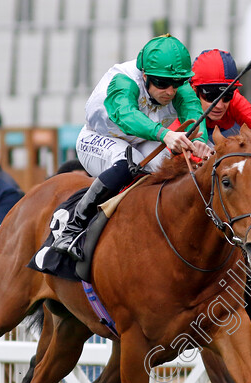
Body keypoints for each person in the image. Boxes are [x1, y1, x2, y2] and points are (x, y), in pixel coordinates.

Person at [52, 34, 211, 260]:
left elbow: (194, 113)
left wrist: (200, 140)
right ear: (145, 74)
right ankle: (73, 228)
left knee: (170, 167)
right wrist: (164, 134)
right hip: (96, 138)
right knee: (131, 163)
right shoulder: (124, 81)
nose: (170, 91)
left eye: (176, 83)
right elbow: (126, 115)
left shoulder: (177, 87)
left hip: (139, 139)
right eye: (162, 83)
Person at [189, 49, 251, 141]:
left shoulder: (235, 98)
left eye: (227, 96)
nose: (219, 106)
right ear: (194, 90)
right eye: (212, 96)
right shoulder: (183, 97)